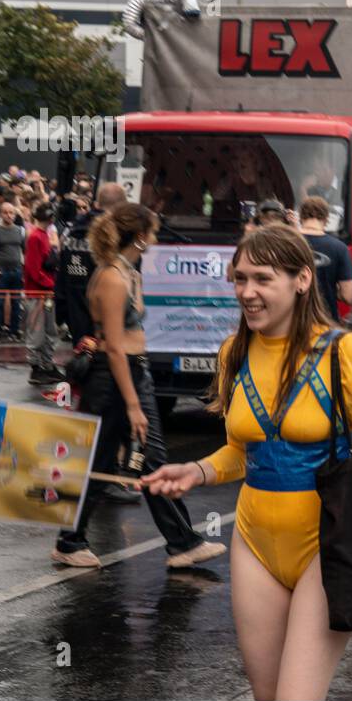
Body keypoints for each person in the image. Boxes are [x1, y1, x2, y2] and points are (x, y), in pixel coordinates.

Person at [143, 225, 352, 700]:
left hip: (326, 543)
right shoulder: (234, 352)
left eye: (263, 279)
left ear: (302, 279)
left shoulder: (341, 351)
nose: (248, 292)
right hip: (254, 544)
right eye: (240, 279)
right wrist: (196, 472)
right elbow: (240, 451)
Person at [53, 203, 226, 570]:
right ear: (141, 236)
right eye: (154, 231)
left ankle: (180, 542)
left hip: (134, 373)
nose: (158, 237)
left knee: (147, 460)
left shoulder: (129, 272)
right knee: (108, 460)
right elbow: (114, 345)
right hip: (115, 377)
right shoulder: (113, 277)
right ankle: (72, 542)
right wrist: (133, 404)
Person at [56, 182, 127, 345]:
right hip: (107, 323)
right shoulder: (117, 234)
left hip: (77, 320)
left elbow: (61, 277)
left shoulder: (71, 231)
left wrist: (62, 316)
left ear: (96, 204)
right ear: (122, 207)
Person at [24, 202, 63, 385]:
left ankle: (46, 364)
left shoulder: (43, 235)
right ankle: (36, 367)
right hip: (38, 292)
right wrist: (51, 284)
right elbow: (33, 269)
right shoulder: (36, 238)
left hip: (44, 292)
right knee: (37, 330)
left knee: (48, 329)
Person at [297, 196, 352, 320]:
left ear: (301, 217)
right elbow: (349, 295)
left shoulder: (285, 242)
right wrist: (333, 290)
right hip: (325, 322)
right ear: (326, 219)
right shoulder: (340, 248)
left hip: (291, 322)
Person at [0, 200, 25, 339]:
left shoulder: (20, 230)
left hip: (16, 271)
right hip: (0, 271)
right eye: (5, 212)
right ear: (0, 214)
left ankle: (14, 330)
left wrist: (24, 271)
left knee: (16, 302)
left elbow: (24, 251)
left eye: (11, 212)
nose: (9, 215)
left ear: (15, 214)